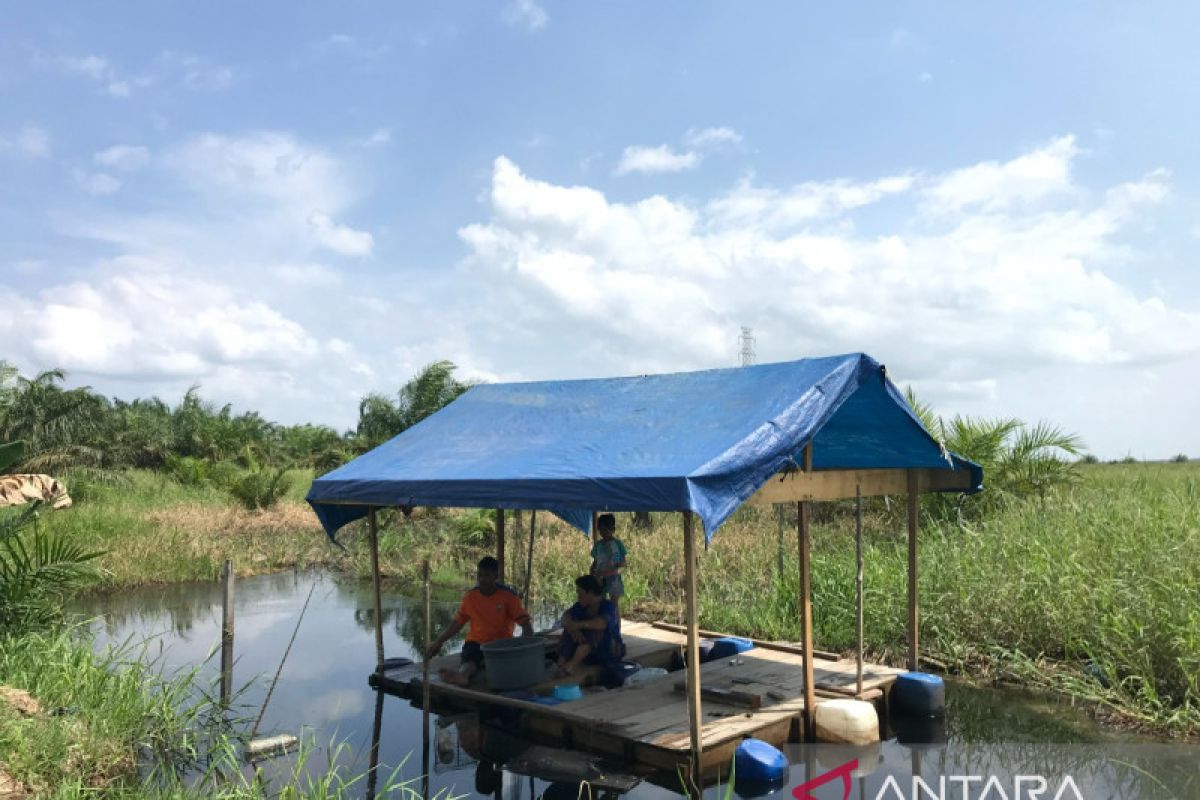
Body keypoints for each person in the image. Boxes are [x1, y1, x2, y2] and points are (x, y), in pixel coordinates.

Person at [427, 556, 533, 687]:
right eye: (480, 575)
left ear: (496, 576)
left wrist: (525, 648)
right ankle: (462, 676)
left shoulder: (509, 597)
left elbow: (526, 625)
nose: (482, 580)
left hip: (500, 643)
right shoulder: (470, 597)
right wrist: (439, 642)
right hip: (477, 642)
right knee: (470, 657)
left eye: (487, 576)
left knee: (503, 662)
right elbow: (457, 624)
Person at [556, 574, 625, 679]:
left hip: (608, 652)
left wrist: (578, 625)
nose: (577, 595)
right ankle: (561, 664)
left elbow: (602, 623)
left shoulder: (608, 606)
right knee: (569, 628)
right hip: (590, 654)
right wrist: (573, 629)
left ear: (590, 593)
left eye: (580, 592)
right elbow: (565, 617)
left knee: (595, 630)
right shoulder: (580, 606)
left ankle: (571, 665)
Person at [589, 513, 627, 620]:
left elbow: (624, 562)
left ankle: (616, 632)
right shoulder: (598, 545)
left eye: (606, 530)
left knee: (614, 606)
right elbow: (595, 562)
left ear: (613, 529)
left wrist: (618, 565)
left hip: (613, 578)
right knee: (601, 604)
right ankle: (604, 630)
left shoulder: (618, 544)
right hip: (599, 578)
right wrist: (592, 573)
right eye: (601, 530)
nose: (603, 533)